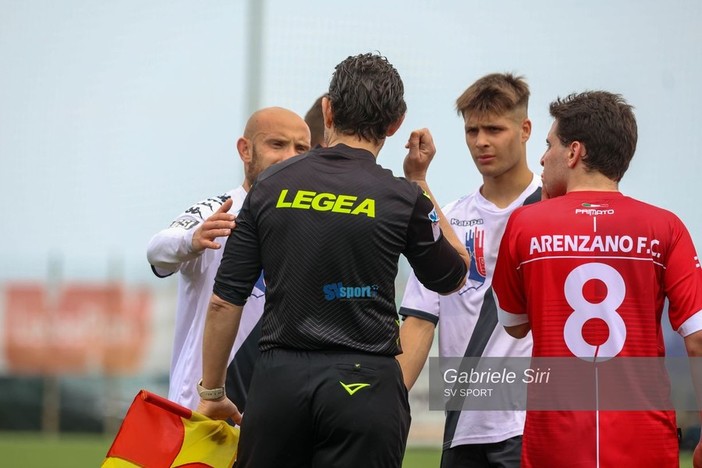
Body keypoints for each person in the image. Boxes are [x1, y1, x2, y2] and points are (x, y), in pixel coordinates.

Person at [196, 52, 470, 468]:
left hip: (278, 385)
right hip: (367, 390)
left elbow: (224, 300)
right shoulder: (402, 196)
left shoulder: (269, 185)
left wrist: (213, 393)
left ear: (327, 109)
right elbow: (453, 276)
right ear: (395, 123)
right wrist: (418, 181)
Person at [492, 90, 702, 467]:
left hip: (555, 443)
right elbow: (699, 339)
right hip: (646, 441)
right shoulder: (667, 227)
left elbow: (515, 325)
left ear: (574, 152)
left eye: (548, 144)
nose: (541, 158)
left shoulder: (524, 224)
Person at [398, 73, 540, 467]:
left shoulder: (554, 213)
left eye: (495, 129)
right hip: (461, 428)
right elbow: (419, 320)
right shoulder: (451, 219)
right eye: (472, 130)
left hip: (533, 425)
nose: (481, 141)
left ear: (525, 129)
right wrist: (390, 400)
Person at [146, 106, 311, 412]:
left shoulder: (312, 227)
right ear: (245, 150)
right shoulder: (219, 210)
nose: (290, 157)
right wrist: (191, 241)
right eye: (277, 144)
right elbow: (157, 252)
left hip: (269, 417)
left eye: (301, 148)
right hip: (200, 410)